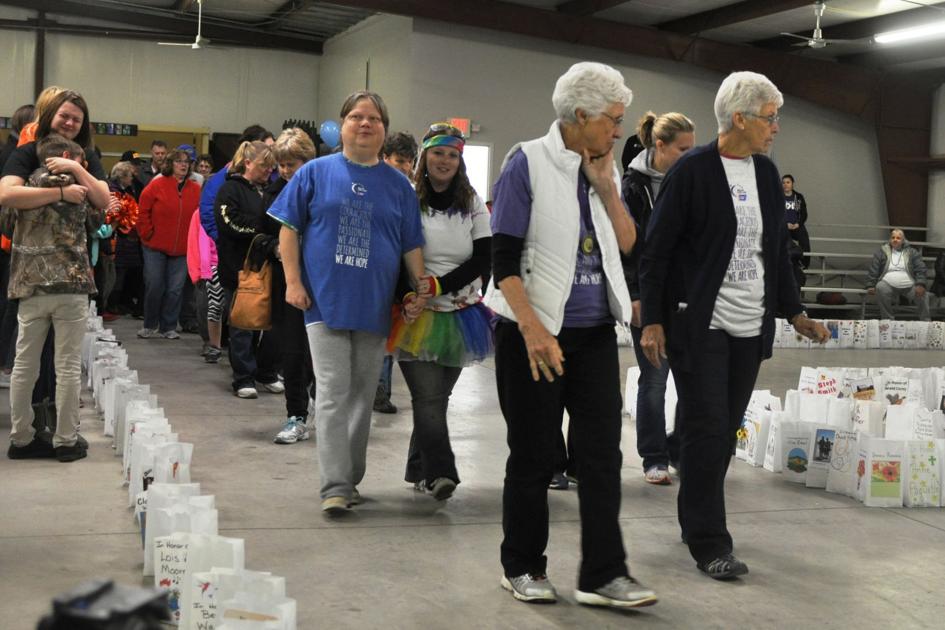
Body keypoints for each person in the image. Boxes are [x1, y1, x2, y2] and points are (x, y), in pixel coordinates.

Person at [639, 71, 829, 580]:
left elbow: (777, 254)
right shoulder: (693, 171)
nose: (777, 128)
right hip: (701, 324)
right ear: (739, 118)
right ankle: (709, 540)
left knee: (723, 433)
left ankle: (694, 516)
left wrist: (796, 312)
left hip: (751, 325)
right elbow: (655, 252)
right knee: (705, 429)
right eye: (771, 117)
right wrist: (652, 318)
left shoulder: (767, 174)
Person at [486, 62, 655, 609]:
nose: (618, 131)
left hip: (595, 334)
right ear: (580, 115)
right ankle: (522, 566)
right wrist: (533, 330)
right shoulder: (526, 163)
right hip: (533, 335)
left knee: (602, 457)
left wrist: (607, 187)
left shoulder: (603, 167)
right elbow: (503, 262)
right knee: (535, 455)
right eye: (613, 120)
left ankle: (603, 574)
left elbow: (629, 244)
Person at [268, 91, 427, 515]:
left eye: (374, 118)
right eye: (356, 116)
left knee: (362, 394)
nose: (364, 123)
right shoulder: (315, 173)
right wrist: (293, 283)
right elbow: (288, 229)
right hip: (324, 301)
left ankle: (351, 474)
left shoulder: (399, 186)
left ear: (384, 129)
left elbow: (411, 245)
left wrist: (419, 287)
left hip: (374, 306)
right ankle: (335, 485)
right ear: (342, 126)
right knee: (334, 391)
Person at [386, 122, 492, 501]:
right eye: (438, 153)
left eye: (452, 154)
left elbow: (483, 257)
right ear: (424, 157)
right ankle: (442, 472)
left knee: (435, 401)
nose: (445, 160)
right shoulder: (408, 198)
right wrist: (408, 295)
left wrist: (440, 286)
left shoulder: (473, 202)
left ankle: (419, 469)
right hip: (416, 316)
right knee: (428, 399)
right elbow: (393, 254)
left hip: (461, 314)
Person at [3, 134, 104, 462]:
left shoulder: (23, 187)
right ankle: (65, 440)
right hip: (70, 287)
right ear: (65, 156)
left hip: (30, 285)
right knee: (68, 365)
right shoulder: (80, 188)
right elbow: (98, 221)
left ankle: (21, 438)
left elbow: (5, 224)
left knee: (24, 365)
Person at [621, 111, 695, 485]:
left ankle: (680, 449)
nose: (689, 155)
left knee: (692, 381)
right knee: (654, 379)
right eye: (682, 149)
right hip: (647, 296)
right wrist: (635, 295)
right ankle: (653, 457)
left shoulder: (694, 180)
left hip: (687, 299)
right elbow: (627, 247)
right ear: (659, 146)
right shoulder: (632, 186)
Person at [213, 140, 283, 398]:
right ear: (248, 162)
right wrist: (262, 230)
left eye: (271, 167)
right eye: (265, 165)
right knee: (242, 325)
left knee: (271, 325)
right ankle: (243, 377)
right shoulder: (230, 189)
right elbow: (229, 223)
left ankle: (267, 372)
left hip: (269, 267)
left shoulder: (269, 190)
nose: (269, 170)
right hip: (239, 269)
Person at [265, 128, 317, 442]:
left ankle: (317, 407)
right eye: (282, 164)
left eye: (292, 163)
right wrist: (278, 248)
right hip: (286, 282)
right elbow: (259, 235)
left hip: (321, 281)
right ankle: (295, 415)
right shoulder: (272, 193)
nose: (286, 170)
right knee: (293, 352)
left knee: (319, 354)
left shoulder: (322, 190)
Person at [375, 131, 420, 414]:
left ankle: (382, 392)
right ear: (385, 158)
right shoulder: (375, 186)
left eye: (410, 161)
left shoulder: (412, 193)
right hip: (375, 276)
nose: (405, 167)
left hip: (400, 276)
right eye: (399, 160)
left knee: (389, 338)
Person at [135, 146, 201, 339]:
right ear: (171, 164)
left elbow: (200, 216)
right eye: (179, 161)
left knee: (175, 289)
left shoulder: (196, 189)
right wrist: (147, 233)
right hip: (154, 246)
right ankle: (150, 324)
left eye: (186, 162)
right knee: (155, 285)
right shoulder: (157, 184)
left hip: (181, 249)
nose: (183, 165)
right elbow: (143, 210)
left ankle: (169, 326)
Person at [200, 124, 274, 242]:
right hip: (233, 250)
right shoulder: (227, 184)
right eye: (267, 147)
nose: (272, 152)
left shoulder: (270, 182)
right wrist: (221, 241)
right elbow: (210, 215)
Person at [865, 229, 930, 320]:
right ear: (890, 239)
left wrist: (920, 284)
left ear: (903, 240)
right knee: (880, 287)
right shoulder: (881, 252)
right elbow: (874, 269)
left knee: (923, 294)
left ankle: (926, 321)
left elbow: (921, 268)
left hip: (910, 285)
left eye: (898, 238)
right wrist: (870, 285)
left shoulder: (912, 252)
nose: (895, 240)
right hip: (888, 283)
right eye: (893, 237)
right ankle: (888, 320)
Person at [782, 174, 810, 268]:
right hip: (783, 227)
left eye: (788, 182)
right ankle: (787, 264)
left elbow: (804, 214)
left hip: (796, 226)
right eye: (783, 182)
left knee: (804, 240)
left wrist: (798, 224)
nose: (785, 184)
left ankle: (804, 264)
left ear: (792, 184)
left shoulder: (798, 197)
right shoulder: (778, 197)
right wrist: (785, 224)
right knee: (785, 243)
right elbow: (774, 214)